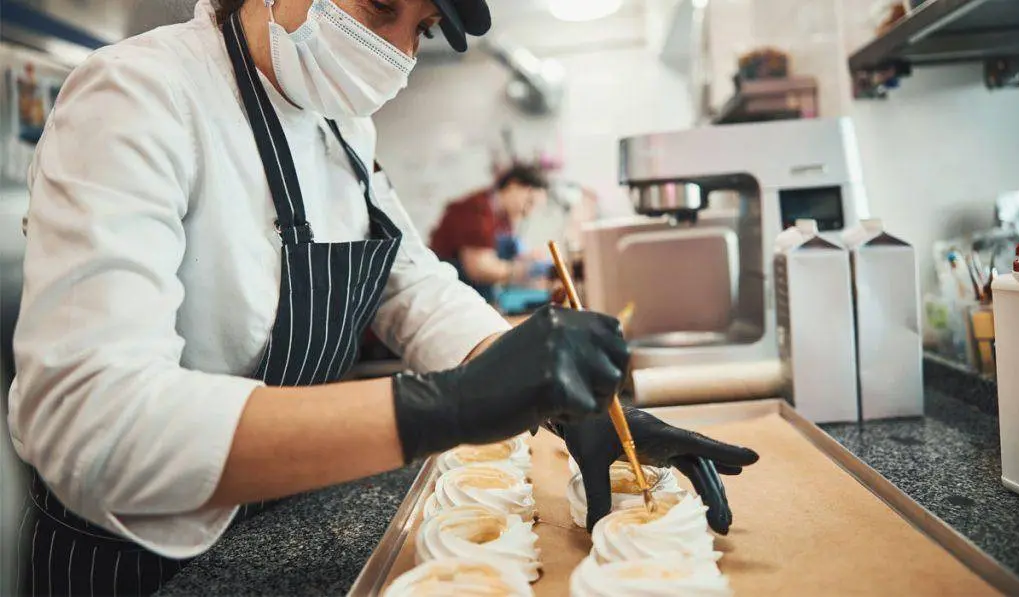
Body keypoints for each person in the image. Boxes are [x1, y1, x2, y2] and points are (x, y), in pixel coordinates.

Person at [8, 0, 758, 595]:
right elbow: (90, 421)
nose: (400, 53)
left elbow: (416, 287)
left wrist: (568, 404)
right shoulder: (139, 93)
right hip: (135, 555)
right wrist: (445, 405)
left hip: (276, 530)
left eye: (422, 28)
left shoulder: (344, 133)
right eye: (379, 7)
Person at [429, 163, 552, 301]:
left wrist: (526, 258)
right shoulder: (475, 210)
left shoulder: (504, 218)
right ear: (513, 186)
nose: (528, 213)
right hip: (451, 296)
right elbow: (479, 268)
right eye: (529, 202)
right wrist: (525, 269)